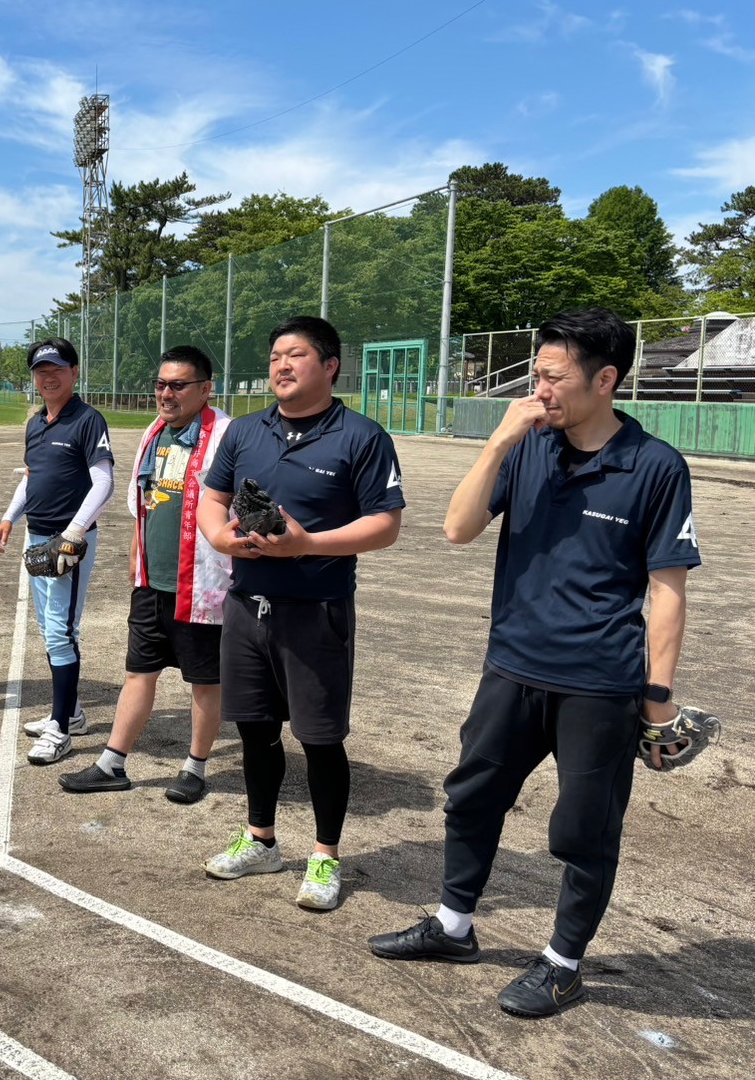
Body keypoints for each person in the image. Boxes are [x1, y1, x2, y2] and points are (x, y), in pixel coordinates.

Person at [367, 310, 702, 1017]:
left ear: (604, 379)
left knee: (583, 829)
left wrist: (658, 695)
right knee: (471, 797)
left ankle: (562, 963)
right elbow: (456, 528)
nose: (537, 389)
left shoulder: (654, 466)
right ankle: (453, 926)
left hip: (600, 682)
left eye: (552, 377)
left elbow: (667, 591)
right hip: (511, 667)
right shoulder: (523, 448)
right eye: (535, 373)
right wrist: (497, 442)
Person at [196, 315, 404, 912]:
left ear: (330, 365)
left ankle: (324, 854)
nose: (281, 366)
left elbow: (386, 524)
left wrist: (305, 544)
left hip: (316, 609)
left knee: (318, 738)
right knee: (255, 730)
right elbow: (214, 498)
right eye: (274, 357)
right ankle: (262, 838)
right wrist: (220, 538)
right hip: (246, 605)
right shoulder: (245, 432)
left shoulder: (361, 436)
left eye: (296, 356)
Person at [58, 345, 231, 802]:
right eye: (160, 384)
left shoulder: (227, 435)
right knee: (138, 672)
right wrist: (137, 567)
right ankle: (112, 763)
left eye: (178, 385)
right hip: (152, 583)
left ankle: (195, 767)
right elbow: (142, 507)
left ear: (205, 388)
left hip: (203, 586)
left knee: (204, 681)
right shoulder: (154, 433)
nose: (166, 394)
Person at [0, 337, 114, 756]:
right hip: (38, 535)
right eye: (41, 370)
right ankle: (73, 712)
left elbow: (103, 481)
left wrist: (76, 531)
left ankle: (60, 729)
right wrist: (10, 517)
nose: (48, 376)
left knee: (62, 632)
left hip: (69, 543)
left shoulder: (87, 420)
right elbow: (31, 478)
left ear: (74, 373)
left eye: (57, 368)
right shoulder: (35, 423)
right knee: (49, 629)